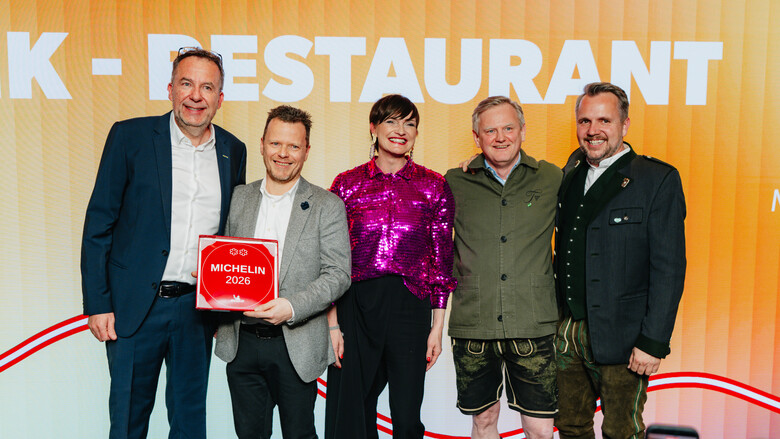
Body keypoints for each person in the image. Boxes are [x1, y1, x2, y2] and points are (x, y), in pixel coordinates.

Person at [81, 47, 247, 438]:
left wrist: (225, 304)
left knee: (190, 424)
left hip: (196, 311)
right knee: (127, 421)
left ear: (220, 99)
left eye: (208, 87)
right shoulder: (130, 136)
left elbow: (230, 233)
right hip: (133, 308)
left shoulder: (232, 150)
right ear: (170, 89)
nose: (196, 96)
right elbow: (98, 224)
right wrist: (99, 303)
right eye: (187, 84)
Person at [554, 82, 686, 438]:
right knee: (569, 427)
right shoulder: (570, 172)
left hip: (625, 337)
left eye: (604, 121)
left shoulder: (657, 179)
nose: (593, 131)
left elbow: (669, 268)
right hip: (567, 332)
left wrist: (653, 341)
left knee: (621, 430)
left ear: (625, 125)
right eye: (584, 121)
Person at [214, 105, 351, 439]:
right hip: (241, 342)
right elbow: (222, 258)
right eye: (276, 144)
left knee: (300, 434)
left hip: (296, 343)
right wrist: (208, 279)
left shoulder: (326, 204)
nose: (284, 154)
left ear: (306, 151)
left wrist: (290, 306)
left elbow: (338, 274)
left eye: (293, 146)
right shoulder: (237, 198)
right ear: (262, 144)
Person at [324, 94, 456, 439]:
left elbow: (442, 262)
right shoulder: (346, 184)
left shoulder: (435, 186)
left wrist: (436, 327)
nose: (401, 131)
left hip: (410, 306)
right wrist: (332, 325)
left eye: (410, 123)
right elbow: (331, 259)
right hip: (356, 304)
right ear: (374, 128)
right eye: (392, 122)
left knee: (407, 410)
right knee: (353, 407)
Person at [445, 96, 561, 439]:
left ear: (523, 131)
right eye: (490, 130)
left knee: (540, 429)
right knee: (483, 421)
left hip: (533, 321)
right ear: (476, 137)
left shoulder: (552, 177)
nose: (500, 137)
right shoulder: (454, 181)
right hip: (474, 324)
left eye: (508, 128)